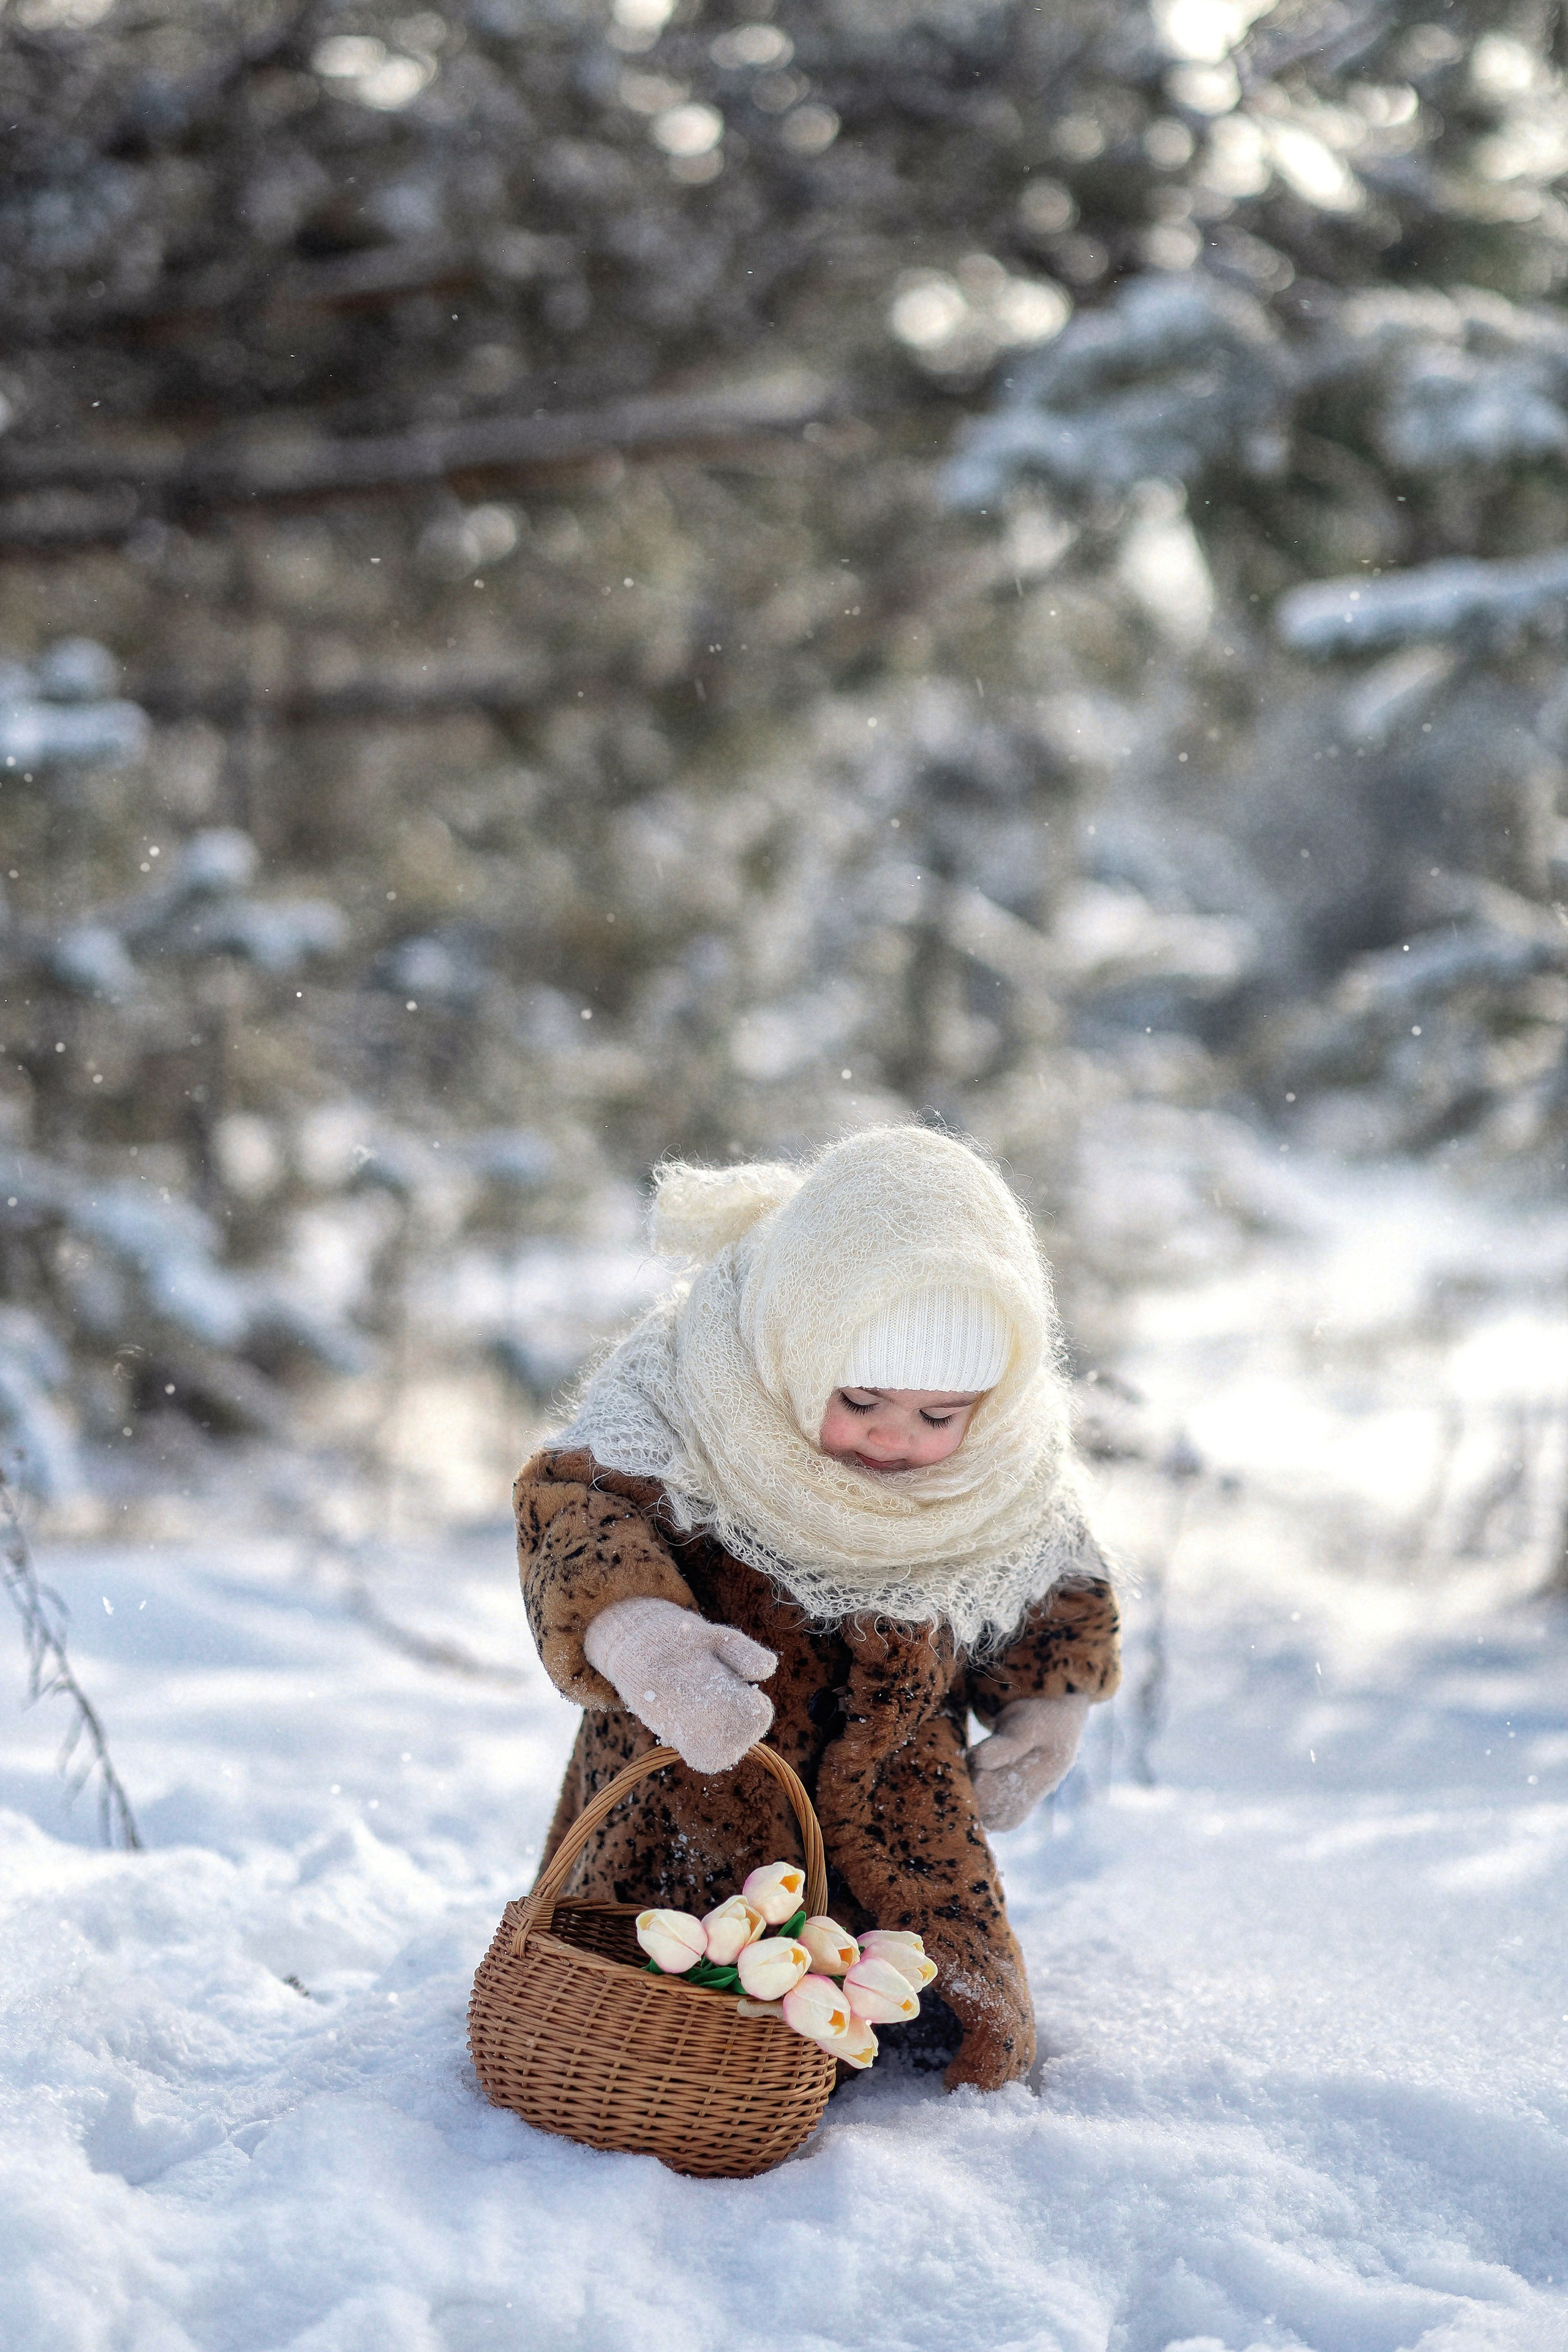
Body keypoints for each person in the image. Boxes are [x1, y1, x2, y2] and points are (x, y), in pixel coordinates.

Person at [513, 1125, 1120, 2090]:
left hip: (901, 1807)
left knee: (932, 2023)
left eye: (939, 1416)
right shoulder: (686, 1390)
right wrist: (646, 1640)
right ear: (801, 1345)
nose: (891, 1437)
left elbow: (1057, 1589)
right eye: (863, 1396)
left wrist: (1047, 1712)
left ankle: (886, 2026)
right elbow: (582, 1520)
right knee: (671, 2001)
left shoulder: (1008, 1471)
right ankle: (676, 2046)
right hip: (686, 1787)